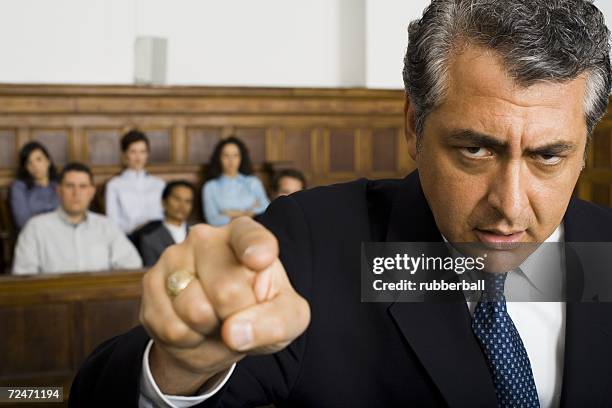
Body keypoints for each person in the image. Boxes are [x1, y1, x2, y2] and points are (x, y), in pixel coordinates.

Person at [70, 1, 612, 407]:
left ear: (584, 146)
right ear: (413, 126)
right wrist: (178, 368)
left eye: (548, 156)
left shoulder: (604, 252)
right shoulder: (314, 243)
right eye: (474, 149)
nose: (510, 207)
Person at [12, 162, 142, 275]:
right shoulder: (35, 228)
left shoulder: (107, 226)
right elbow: (23, 276)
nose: (76, 193)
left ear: (91, 192)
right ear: (59, 190)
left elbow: (132, 265)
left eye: (83, 186)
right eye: (70, 186)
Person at [105, 130, 165, 234]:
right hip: (130, 237)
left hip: (157, 236)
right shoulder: (114, 185)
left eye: (143, 152)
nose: (138, 157)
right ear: (124, 154)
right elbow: (113, 222)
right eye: (133, 152)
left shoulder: (159, 184)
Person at [202, 136, 270, 226]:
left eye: (235, 155)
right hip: (223, 232)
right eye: (226, 155)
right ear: (219, 158)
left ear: (241, 158)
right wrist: (249, 212)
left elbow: (266, 206)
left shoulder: (253, 182)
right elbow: (212, 219)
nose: (231, 160)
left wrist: (231, 213)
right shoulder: (210, 187)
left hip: (253, 228)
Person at [138, 180, 195, 267]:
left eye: (187, 201)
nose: (182, 206)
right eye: (177, 199)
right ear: (163, 202)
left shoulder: (198, 233)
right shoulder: (150, 240)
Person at [9, 141, 60, 231]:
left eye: (39, 159)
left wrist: (37, 217)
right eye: (29, 162)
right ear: (25, 167)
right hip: (34, 235)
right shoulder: (19, 187)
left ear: (48, 161)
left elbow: (71, 215)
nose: (35, 166)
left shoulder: (60, 184)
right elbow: (23, 221)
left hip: (64, 234)